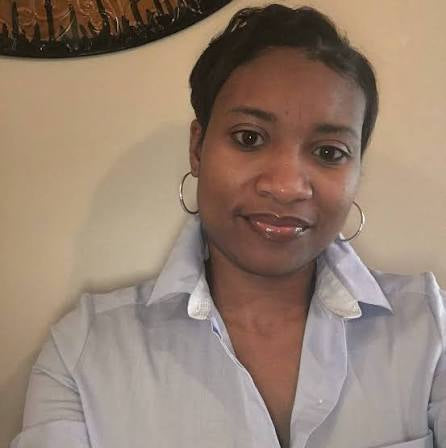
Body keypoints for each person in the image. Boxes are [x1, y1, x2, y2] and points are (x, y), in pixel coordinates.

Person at [11, 4, 445, 448]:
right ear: (197, 148)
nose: (285, 187)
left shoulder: (431, 332)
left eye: (329, 152)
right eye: (249, 138)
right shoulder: (86, 352)